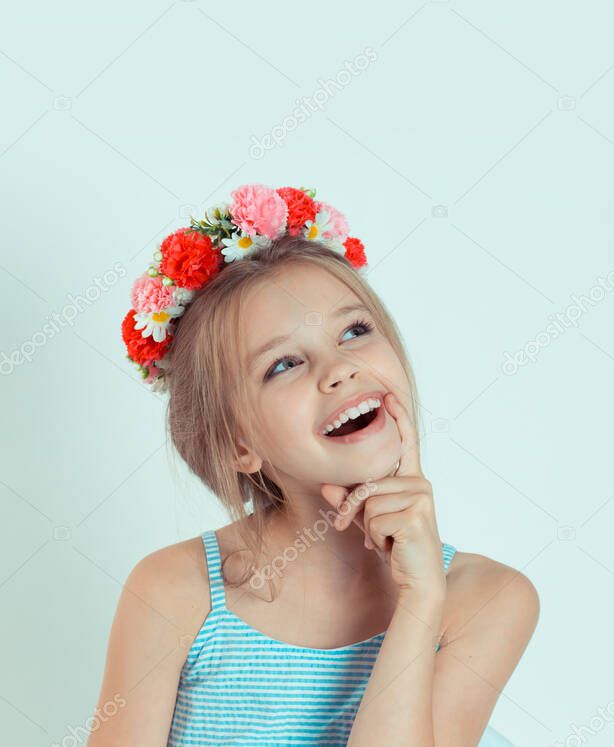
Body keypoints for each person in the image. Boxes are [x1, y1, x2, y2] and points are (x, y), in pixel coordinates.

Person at [89, 184, 538, 746]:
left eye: (355, 331)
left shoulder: (485, 600)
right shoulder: (177, 594)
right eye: (283, 364)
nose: (340, 369)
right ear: (237, 443)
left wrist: (422, 598)